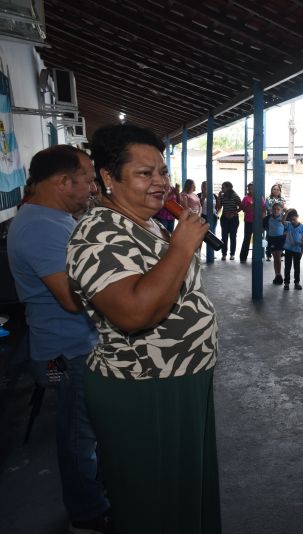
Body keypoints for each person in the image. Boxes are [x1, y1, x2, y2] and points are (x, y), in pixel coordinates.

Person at [66, 124, 221, 533]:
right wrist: (183, 246)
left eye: (163, 172)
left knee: (184, 493)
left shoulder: (147, 223)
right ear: (108, 178)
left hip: (180, 379)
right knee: (154, 503)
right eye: (144, 173)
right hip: (143, 385)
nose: (160, 182)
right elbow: (135, 314)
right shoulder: (95, 234)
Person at [7, 145, 111, 533]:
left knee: (81, 428)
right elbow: (71, 298)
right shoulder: (39, 226)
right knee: (77, 434)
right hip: (62, 355)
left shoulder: (55, 219)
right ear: (63, 181)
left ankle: (92, 494)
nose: (91, 186)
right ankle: (87, 515)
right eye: (86, 178)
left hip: (66, 349)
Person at [239, 182, 266, 262]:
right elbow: (243, 209)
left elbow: (264, 208)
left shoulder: (260, 197)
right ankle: (243, 257)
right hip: (249, 221)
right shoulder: (246, 198)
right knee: (247, 239)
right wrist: (249, 207)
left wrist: (263, 215)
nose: (251, 190)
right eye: (249, 188)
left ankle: (258, 256)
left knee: (258, 239)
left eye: (252, 188)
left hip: (258, 222)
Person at [282, 208, 303, 290]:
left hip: (297, 250)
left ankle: (297, 282)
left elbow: (302, 239)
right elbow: (282, 221)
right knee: (287, 266)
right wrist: (287, 212)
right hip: (288, 250)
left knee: (297, 267)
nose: (292, 221)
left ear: (297, 217)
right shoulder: (288, 225)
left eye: (294, 219)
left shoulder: (302, 227)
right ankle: (286, 283)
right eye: (290, 219)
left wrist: (302, 250)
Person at [217, 181, 241, 260]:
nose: (222, 189)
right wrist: (219, 197)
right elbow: (219, 207)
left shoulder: (235, 196)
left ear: (228, 188)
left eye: (223, 187)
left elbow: (241, 206)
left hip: (233, 219)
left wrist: (233, 213)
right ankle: (224, 254)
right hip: (224, 219)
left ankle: (232, 254)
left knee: (233, 236)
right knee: (224, 237)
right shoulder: (223, 196)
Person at [267, 202, 286, 285]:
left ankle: (279, 275)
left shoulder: (283, 218)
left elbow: (287, 228)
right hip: (271, 239)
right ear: (271, 210)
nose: (276, 211)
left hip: (280, 239)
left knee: (278, 257)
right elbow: (265, 226)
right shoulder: (268, 218)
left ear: (281, 210)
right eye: (274, 209)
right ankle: (277, 275)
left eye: (278, 209)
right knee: (275, 258)